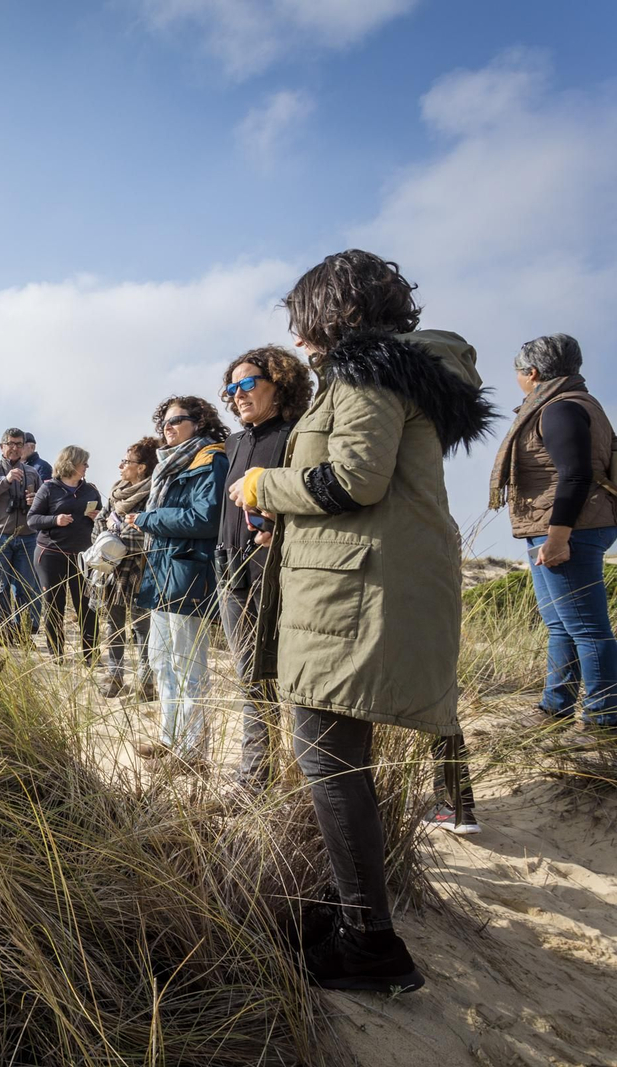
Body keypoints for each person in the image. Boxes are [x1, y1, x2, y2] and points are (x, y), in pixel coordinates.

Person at [233, 249, 494, 991]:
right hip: (362, 586)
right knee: (338, 759)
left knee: (328, 760)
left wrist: (262, 483)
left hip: (354, 600)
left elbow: (353, 477)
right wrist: (285, 520)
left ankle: (369, 941)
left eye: (303, 321)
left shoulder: (364, 370)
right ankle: (353, 915)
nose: (301, 339)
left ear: (331, 311)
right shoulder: (389, 371)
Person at [490, 333, 617, 740]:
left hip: (569, 528)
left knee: (588, 629)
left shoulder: (559, 409)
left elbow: (576, 476)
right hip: (564, 526)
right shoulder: (572, 403)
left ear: (532, 373)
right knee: (562, 625)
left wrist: (558, 537)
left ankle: (602, 720)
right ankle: (555, 708)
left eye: (518, 373)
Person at [216, 346, 314, 792]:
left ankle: (307, 778)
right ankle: (254, 778)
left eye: (249, 383)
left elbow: (311, 499)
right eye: (232, 387)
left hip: (276, 567)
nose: (238, 394)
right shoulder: (234, 443)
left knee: (292, 675)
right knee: (249, 675)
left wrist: (283, 530)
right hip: (230, 566)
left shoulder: (298, 436)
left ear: (281, 383)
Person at [129, 397, 229, 765]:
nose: (167, 429)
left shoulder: (210, 459)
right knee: (160, 660)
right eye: (164, 423)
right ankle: (170, 739)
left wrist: (148, 518)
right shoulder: (169, 465)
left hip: (188, 571)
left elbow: (205, 518)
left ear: (199, 422)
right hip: (161, 570)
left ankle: (192, 751)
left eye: (176, 421)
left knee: (189, 666)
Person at [92, 437, 160, 698]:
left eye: (127, 461)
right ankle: (115, 678)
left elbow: (148, 533)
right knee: (113, 624)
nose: (121, 466)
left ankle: (147, 684)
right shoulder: (117, 491)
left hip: (141, 568)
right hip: (111, 571)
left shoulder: (153, 494)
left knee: (143, 627)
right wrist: (108, 537)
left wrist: (114, 538)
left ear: (141, 467)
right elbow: (99, 523)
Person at [28, 445, 102, 658]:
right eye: (84, 463)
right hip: (51, 555)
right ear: (71, 463)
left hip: (83, 557)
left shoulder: (91, 490)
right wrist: (55, 520)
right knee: (54, 605)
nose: (87, 467)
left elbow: (104, 521)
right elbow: (32, 520)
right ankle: (56, 655)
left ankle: (91, 655)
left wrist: (99, 518)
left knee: (87, 606)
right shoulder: (49, 489)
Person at [0, 427, 44, 646]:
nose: (15, 448)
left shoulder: (33, 473)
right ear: (2, 446)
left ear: (24, 446)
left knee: (25, 586)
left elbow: (44, 505)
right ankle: (5, 631)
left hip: (27, 536)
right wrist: (5, 481)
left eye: (19, 444)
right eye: (11, 444)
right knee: (1, 586)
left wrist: (35, 501)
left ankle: (22, 634)